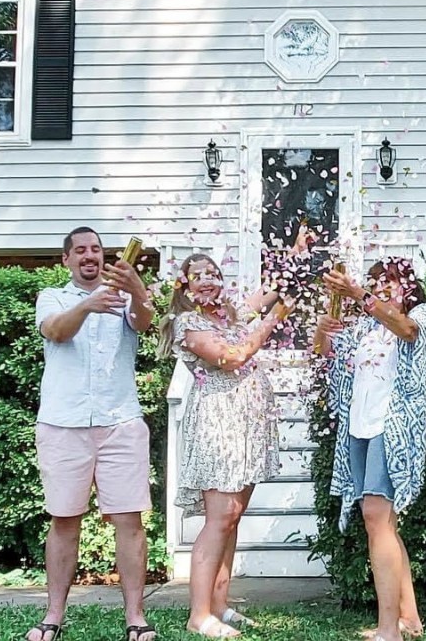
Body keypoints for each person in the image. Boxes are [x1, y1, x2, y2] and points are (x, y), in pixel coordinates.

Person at [27, 227, 156, 641]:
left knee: (129, 520)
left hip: (121, 421)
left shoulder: (124, 296)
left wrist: (136, 288)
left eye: (96, 249)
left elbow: (146, 322)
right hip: (62, 423)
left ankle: (136, 619)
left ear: (104, 256)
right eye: (80, 250)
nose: (89, 255)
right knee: (64, 519)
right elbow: (56, 331)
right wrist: (88, 304)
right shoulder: (52, 297)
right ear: (66, 259)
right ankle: (53, 615)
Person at [157, 253, 293, 639]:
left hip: (247, 423)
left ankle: (219, 605)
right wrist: (273, 320)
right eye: (198, 276)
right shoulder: (188, 322)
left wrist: (298, 251)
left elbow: (270, 290)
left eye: (213, 274)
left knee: (232, 517)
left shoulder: (230, 316)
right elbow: (232, 357)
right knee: (218, 519)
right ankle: (199, 615)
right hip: (218, 424)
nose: (208, 280)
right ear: (185, 286)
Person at [313, 257, 426, 641]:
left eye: (389, 281)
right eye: (375, 282)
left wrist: (358, 294)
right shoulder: (366, 326)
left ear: (409, 285)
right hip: (359, 426)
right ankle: (409, 619)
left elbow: (407, 330)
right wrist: (322, 330)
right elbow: (326, 353)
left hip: (393, 427)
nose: (381, 287)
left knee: (375, 515)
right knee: (384, 523)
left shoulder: (423, 314)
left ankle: (389, 629)